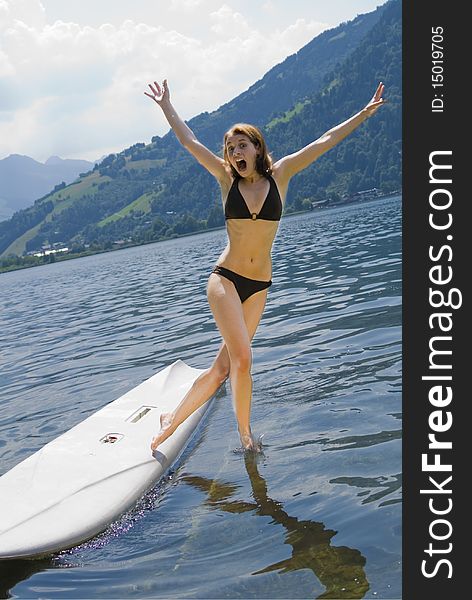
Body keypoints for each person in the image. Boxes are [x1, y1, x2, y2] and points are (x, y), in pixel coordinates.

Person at [144, 79, 385, 452]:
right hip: (225, 280)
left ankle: (171, 417)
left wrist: (364, 113)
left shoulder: (282, 175)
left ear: (257, 148)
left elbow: (324, 142)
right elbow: (190, 143)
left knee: (224, 367)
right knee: (243, 358)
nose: (235, 152)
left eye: (242, 145)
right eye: (230, 147)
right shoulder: (226, 179)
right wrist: (166, 107)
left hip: (259, 285)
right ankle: (240, 437)